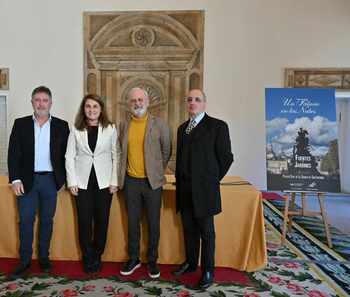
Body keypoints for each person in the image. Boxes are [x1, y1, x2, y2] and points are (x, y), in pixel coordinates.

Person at [173, 89, 233, 289]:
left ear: (204, 104)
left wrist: (211, 180)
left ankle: (208, 270)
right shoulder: (182, 128)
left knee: (207, 233)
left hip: (205, 191)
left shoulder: (217, 126)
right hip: (184, 190)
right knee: (189, 230)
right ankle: (191, 263)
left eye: (197, 100)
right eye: (189, 99)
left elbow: (226, 158)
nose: (192, 102)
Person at [7, 86, 70, 278]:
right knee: (25, 220)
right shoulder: (21, 124)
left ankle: (44, 258)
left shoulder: (62, 125)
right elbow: (13, 154)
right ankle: (25, 260)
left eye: (44, 100)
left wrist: (63, 181)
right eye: (37, 100)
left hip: (50, 181)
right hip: (26, 181)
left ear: (51, 103)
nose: (41, 103)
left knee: (46, 221)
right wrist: (15, 179)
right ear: (32, 102)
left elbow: (67, 155)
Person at [118, 87, 171, 278]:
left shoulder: (160, 124)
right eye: (133, 101)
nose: (137, 103)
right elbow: (119, 152)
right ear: (129, 104)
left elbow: (166, 151)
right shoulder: (123, 125)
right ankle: (134, 258)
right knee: (132, 223)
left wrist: (155, 171)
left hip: (152, 183)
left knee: (153, 223)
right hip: (130, 182)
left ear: (147, 102)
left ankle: (152, 260)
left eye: (140, 100)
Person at [65, 94, 119, 273]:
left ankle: (98, 254)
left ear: (101, 109)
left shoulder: (110, 128)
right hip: (82, 183)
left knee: (102, 220)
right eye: (88, 106)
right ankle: (87, 256)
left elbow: (115, 155)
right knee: (84, 221)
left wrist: (114, 181)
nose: (91, 110)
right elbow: (69, 156)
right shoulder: (76, 129)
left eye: (95, 106)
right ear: (84, 109)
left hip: (104, 183)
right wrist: (71, 181)